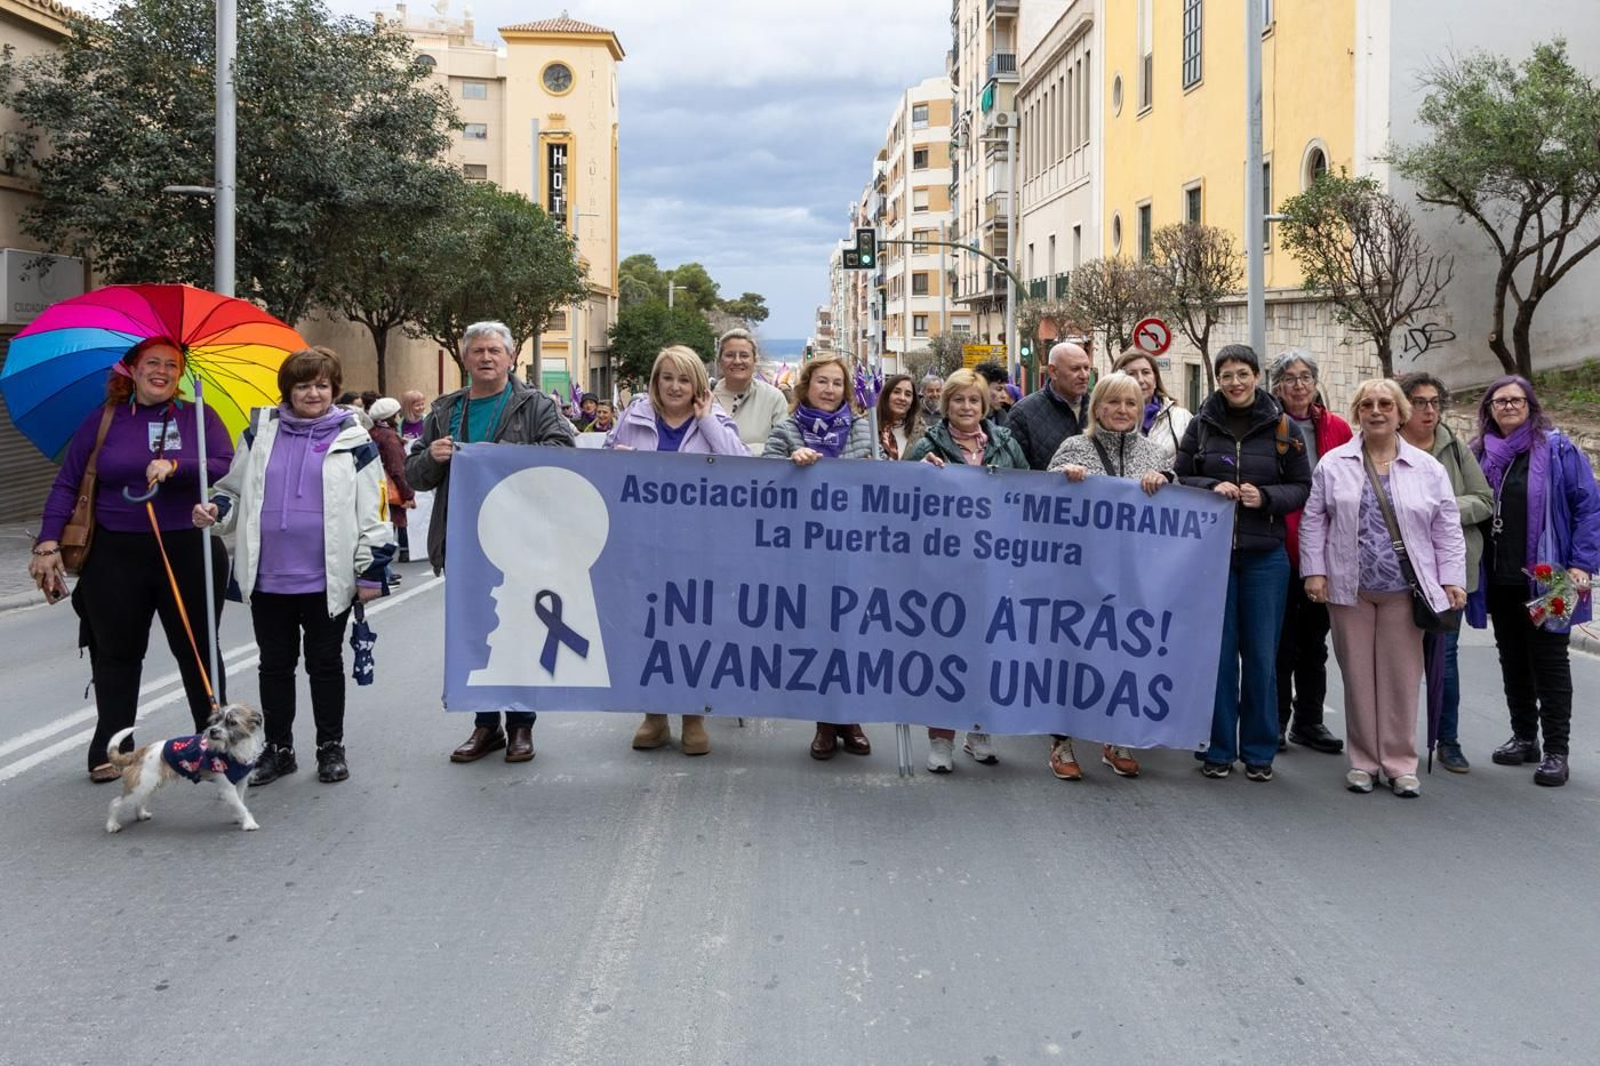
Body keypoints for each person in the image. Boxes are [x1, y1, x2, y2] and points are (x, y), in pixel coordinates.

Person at [29, 338, 232, 783]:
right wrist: (47, 542)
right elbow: (67, 484)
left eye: (172, 366)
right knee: (116, 654)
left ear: (181, 376)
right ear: (132, 369)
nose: (162, 371)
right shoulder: (104, 420)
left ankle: (213, 742)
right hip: (115, 553)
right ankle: (113, 747)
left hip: (187, 548)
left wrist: (176, 468)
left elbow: (221, 462)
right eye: (152, 363)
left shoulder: (197, 416)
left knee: (197, 648)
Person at [194, 348, 393, 785]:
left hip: (328, 579)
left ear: (334, 390)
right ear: (288, 390)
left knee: (325, 666)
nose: (313, 393)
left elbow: (374, 510)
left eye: (322, 385)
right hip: (268, 576)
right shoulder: (259, 434)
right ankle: (278, 749)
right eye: (303, 385)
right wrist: (216, 511)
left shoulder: (355, 440)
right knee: (275, 666)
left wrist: (371, 569)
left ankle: (330, 748)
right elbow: (233, 491)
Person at [404, 321, 575, 765]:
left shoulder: (534, 404)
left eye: (494, 350)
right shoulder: (445, 410)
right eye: (478, 350)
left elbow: (563, 453)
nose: (485, 357)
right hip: (463, 537)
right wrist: (432, 456)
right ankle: (485, 725)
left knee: (519, 630)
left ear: (510, 357)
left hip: (519, 539)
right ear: (465, 358)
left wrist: (505, 459)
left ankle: (521, 725)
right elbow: (415, 475)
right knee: (475, 633)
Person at [1299, 379, 1467, 798]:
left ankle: (1399, 763)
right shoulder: (1334, 464)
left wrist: (1452, 579)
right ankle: (1363, 761)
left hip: (1404, 590)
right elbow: (1314, 519)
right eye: (1368, 404)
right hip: (1349, 588)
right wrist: (1314, 572)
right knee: (1357, 677)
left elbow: (1447, 528)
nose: (1377, 411)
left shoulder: (1428, 469)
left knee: (1400, 677)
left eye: (1386, 404)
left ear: (1400, 413)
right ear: (1357, 412)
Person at [1176, 344, 1311, 782]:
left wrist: (1266, 497)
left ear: (1256, 376)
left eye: (1242, 374)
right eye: (1226, 375)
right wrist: (1211, 485)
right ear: (1217, 380)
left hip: (1265, 559)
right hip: (1212, 559)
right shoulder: (1201, 424)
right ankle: (1217, 749)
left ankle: (1258, 751)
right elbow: (1182, 476)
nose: (1235, 383)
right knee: (1216, 657)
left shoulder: (1283, 427)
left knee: (1261, 658)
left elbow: (1302, 486)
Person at [605, 346, 748, 756]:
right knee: (646, 628)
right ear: (655, 381)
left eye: (684, 379)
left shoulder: (717, 418)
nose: (674, 386)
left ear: (698, 385)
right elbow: (600, 469)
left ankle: (693, 717)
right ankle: (653, 716)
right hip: (642, 545)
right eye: (667, 377)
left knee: (693, 631)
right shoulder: (632, 417)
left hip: (698, 548)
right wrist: (616, 460)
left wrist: (708, 424)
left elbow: (742, 467)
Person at [1468, 375, 1599, 787]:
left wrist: (1582, 564)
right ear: (1488, 409)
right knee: (1512, 657)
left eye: (1516, 400)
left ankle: (1557, 751)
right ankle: (1525, 738)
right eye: (1499, 401)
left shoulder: (1558, 449)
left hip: (1552, 576)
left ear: (1531, 406)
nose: (1508, 406)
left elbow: (1589, 506)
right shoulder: (1480, 454)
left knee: (1551, 662)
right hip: (1500, 575)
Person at [1044, 371, 1175, 781]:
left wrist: (1167, 482)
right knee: (1073, 659)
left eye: (1130, 403)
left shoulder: (1155, 454)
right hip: (1079, 576)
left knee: (1124, 658)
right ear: (1096, 408)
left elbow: (1178, 514)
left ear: (1141, 409)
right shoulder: (1073, 448)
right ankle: (1061, 742)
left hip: (1133, 577)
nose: (1121, 411)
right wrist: (1063, 481)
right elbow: (1040, 507)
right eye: (1113, 403)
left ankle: (1115, 738)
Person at [902, 368, 1024, 772]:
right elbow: (898, 496)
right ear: (944, 405)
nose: (966, 407)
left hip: (993, 566)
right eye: (958, 400)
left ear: (985, 405)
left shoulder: (1005, 445)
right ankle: (941, 738)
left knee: (987, 651)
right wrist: (922, 475)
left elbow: (1028, 493)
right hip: (941, 569)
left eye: (973, 400)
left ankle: (979, 729)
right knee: (944, 654)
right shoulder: (926, 446)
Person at [765, 355, 876, 759]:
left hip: (854, 548)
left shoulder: (863, 428)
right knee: (818, 637)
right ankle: (825, 724)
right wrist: (790, 466)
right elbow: (761, 477)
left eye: (836, 383)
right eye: (821, 382)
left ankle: (851, 718)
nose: (828, 390)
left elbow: (882, 479)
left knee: (852, 638)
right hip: (804, 549)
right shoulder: (788, 429)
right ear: (806, 386)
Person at [1398, 372, 1492, 773]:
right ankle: (1391, 742)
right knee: (1397, 662)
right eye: (1420, 402)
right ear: (1404, 407)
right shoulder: (1388, 444)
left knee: (1445, 660)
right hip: (1398, 573)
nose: (1430, 410)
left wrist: (1441, 507)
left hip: (1448, 574)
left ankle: (1446, 739)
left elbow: (1484, 499)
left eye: (1436, 402)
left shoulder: (1453, 447)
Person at [1265, 349, 1354, 756]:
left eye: (1305, 377)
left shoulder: (1336, 427)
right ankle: (1276, 719)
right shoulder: (1266, 425)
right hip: (1278, 544)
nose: (1298, 385)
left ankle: (1309, 720)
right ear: (1276, 386)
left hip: (1324, 551)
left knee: (1314, 643)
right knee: (1280, 643)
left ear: (1316, 383)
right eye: (1289, 378)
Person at [1006, 341, 1092, 471]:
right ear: (1053, 372)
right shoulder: (1023, 414)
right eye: (1075, 369)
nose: (1084, 376)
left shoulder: (1101, 409)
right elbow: (1012, 472)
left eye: (1086, 368)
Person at [710, 328, 789, 457]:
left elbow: (784, 444)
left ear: (754, 360)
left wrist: (739, 451)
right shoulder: (705, 398)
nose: (737, 361)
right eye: (729, 355)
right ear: (720, 360)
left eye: (744, 355)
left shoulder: (773, 398)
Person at [1111, 348, 1192, 470]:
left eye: (1146, 372)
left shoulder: (1183, 418)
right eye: (1131, 374)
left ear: (1155, 379)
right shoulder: (1108, 419)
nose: (1140, 380)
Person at [366, 396, 415, 577]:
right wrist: (408, 493)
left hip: (373, 488)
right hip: (389, 490)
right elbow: (397, 468)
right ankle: (383, 570)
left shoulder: (371, 433)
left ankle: (383, 569)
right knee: (387, 531)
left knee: (379, 530)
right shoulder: (390, 438)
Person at [876, 373, 921, 460]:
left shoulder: (921, 433)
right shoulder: (867, 426)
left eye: (908, 394)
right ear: (886, 395)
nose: (902, 398)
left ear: (913, 401)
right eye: (896, 392)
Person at [973, 361, 1010, 426]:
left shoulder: (1005, 417)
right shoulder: (968, 418)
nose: (1004, 396)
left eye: (1005, 390)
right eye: (999, 389)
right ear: (983, 388)